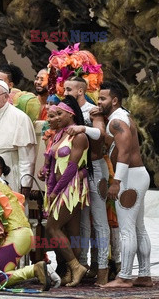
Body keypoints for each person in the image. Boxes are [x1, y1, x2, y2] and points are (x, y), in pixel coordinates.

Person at [0, 159, 59, 290]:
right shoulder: (1, 186)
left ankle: (35, 270)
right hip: (23, 235)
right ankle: (45, 271)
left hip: (16, 237)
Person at [98, 82, 152, 288]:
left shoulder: (116, 121)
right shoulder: (121, 117)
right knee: (138, 227)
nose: (99, 102)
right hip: (136, 175)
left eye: (102, 98)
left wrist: (116, 181)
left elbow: (125, 152)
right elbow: (117, 145)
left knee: (127, 229)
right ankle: (145, 275)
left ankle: (125, 277)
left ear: (114, 100)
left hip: (129, 177)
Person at [64, 76, 110, 284]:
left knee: (99, 222)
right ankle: (80, 265)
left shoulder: (93, 111)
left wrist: (83, 128)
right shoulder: (68, 111)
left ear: (80, 91)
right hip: (79, 171)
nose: (65, 92)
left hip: (97, 169)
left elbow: (100, 135)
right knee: (81, 221)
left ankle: (102, 269)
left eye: (69, 89)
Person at [43, 96, 89, 287]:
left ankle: (75, 266)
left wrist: (55, 191)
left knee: (51, 228)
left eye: (60, 113)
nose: (56, 117)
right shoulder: (61, 134)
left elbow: (71, 168)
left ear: (71, 114)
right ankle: (71, 272)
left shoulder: (79, 136)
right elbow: (55, 162)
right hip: (59, 186)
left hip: (70, 189)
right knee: (71, 231)